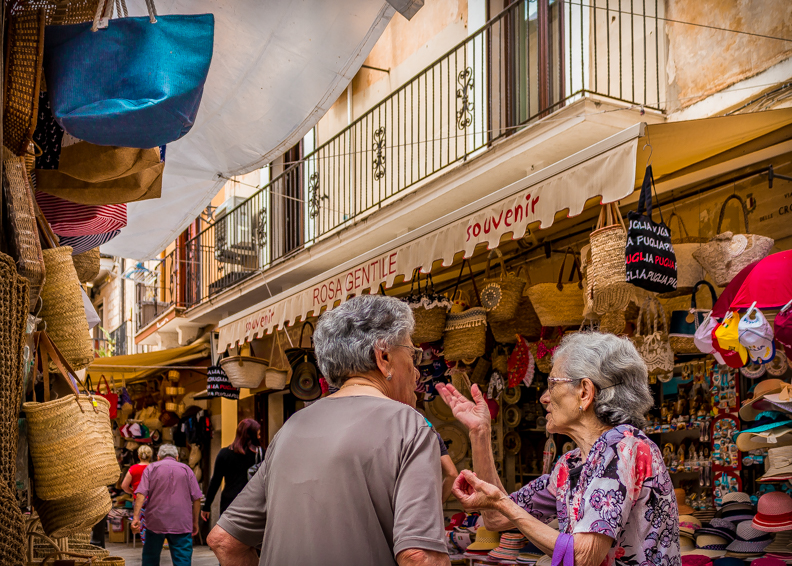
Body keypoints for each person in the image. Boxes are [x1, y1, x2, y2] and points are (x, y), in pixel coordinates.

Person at [208, 295, 450, 566]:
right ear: (384, 357)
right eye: (411, 354)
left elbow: (224, 540)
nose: (416, 370)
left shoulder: (290, 429)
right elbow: (421, 557)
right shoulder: (410, 426)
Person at [438, 332, 680, 566]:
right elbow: (496, 517)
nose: (544, 398)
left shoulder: (622, 447)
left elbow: (584, 558)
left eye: (552, 384)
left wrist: (501, 503)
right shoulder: (571, 464)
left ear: (585, 392)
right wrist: (480, 433)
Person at [131, 444, 203, 566]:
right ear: (177, 457)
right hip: (181, 522)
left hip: (155, 521)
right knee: (182, 560)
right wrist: (195, 522)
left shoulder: (151, 468)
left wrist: (136, 517)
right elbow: (197, 498)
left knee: (150, 558)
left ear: (158, 457)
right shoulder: (186, 469)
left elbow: (140, 494)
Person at [201, 419, 262, 523]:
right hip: (252, 503)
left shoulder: (224, 453)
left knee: (227, 536)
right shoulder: (261, 454)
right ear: (252, 435)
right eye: (258, 434)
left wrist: (207, 506)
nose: (260, 437)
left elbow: (215, 481)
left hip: (229, 502)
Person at [121, 445, 153, 544]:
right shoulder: (154, 468)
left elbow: (124, 486)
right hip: (154, 501)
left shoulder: (133, 469)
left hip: (139, 501)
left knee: (142, 525)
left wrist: (132, 491)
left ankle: (146, 545)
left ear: (138, 456)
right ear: (150, 456)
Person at [436, 432, 459, 502]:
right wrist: (438, 504)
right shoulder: (433, 435)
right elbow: (452, 474)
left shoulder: (403, 432)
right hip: (427, 505)